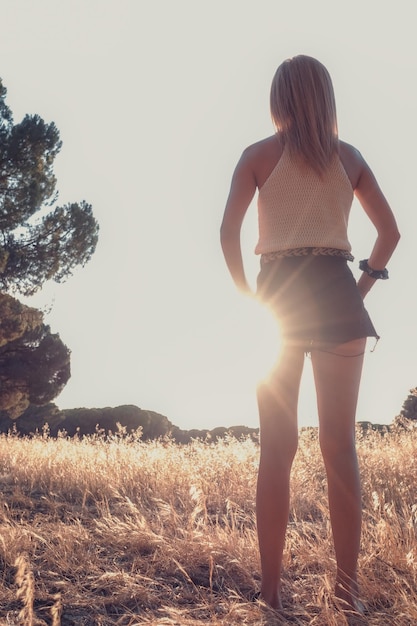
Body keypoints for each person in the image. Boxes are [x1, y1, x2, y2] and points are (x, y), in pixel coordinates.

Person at [220, 55, 400, 613]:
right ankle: (349, 599)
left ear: (279, 98)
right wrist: (361, 289)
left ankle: (272, 599)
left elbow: (227, 233)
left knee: (277, 449)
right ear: (325, 97)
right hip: (337, 294)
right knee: (339, 448)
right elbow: (390, 233)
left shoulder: (258, 156)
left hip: (279, 297)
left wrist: (248, 296)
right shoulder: (350, 159)